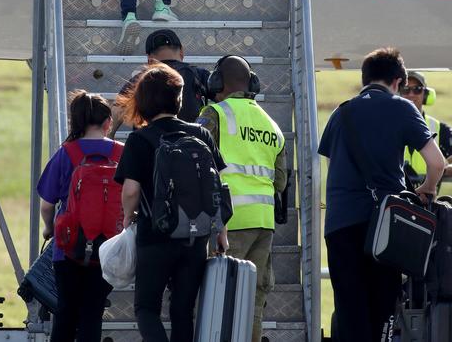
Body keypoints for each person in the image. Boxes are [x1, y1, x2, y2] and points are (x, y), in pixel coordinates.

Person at [318, 47, 445, 342]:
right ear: (398, 81)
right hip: (385, 228)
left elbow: (329, 162)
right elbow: (437, 163)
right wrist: (427, 189)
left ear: (364, 79)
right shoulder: (401, 108)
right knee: (383, 312)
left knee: (350, 312)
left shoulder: (342, 112)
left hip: (339, 225)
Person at [114, 63, 228, 342]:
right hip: (195, 237)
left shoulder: (140, 139)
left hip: (155, 235)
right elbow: (218, 186)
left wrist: (128, 217)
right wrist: (221, 231)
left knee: (146, 308)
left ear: (142, 101)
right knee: (183, 311)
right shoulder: (201, 134)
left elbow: (130, 190)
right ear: (179, 99)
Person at [197, 55, 287, 342]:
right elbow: (281, 181)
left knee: (218, 301)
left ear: (217, 82)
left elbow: (196, 160)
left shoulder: (215, 114)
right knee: (252, 303)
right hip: (264, 222)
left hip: (228, 221)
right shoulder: (271, 124)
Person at [37, 91, 124, 342]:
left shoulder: (67, 153)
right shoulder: (122, 153)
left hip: (68, 247)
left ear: (75, 122)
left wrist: (48, 229)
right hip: (108, 247)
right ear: (108, 122)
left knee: (65, 312)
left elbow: (46, 204)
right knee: (92, 313)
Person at [109, 28, 210, 137]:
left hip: (148, 145)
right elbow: (226, 98)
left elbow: (116, 112)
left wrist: (108, 144)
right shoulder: (198, 75)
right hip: (192, 146)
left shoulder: (139, 80)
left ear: (149, 59)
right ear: (181, 52)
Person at [401, 69, 452, 186]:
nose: (411, 94)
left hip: (427, 199)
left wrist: (439, 171)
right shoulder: (387, 126)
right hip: (395, 199)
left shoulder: (439, 128)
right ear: (398, 93)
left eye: (417, 89)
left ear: (426, 94)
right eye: (405, 89)